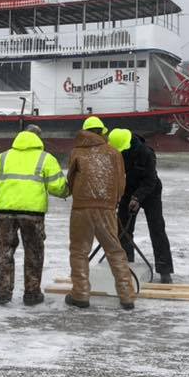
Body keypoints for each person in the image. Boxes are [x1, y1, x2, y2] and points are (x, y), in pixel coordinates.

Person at [0, 124, 69, 306]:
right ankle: (32, 294)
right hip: (33, 214)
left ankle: (4, 292)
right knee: (33, 253)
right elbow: (57, 187)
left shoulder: (4, 157)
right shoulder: (46, 158)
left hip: (5, 214)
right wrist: (67, 191)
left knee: (4, 251)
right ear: (39, 138)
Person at [65, 116, 135, 310]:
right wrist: (113, 202)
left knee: (79, 251)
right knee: (115, 251)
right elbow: (121, 183)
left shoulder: (76, 152)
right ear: (102, 131)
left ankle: (80, 294)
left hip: (81, 209)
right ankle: (127, 295)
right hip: (106, 209)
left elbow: (70, 182)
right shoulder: (114, 153)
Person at [108, 128, 174, 284]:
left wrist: (137, 198)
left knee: (157, 228)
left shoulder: (146, 153)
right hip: (127, 190)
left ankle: (165, 270)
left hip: (150, 191)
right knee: (123, 229)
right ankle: (127, 266)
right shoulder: (115, 150)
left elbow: (150, 179)